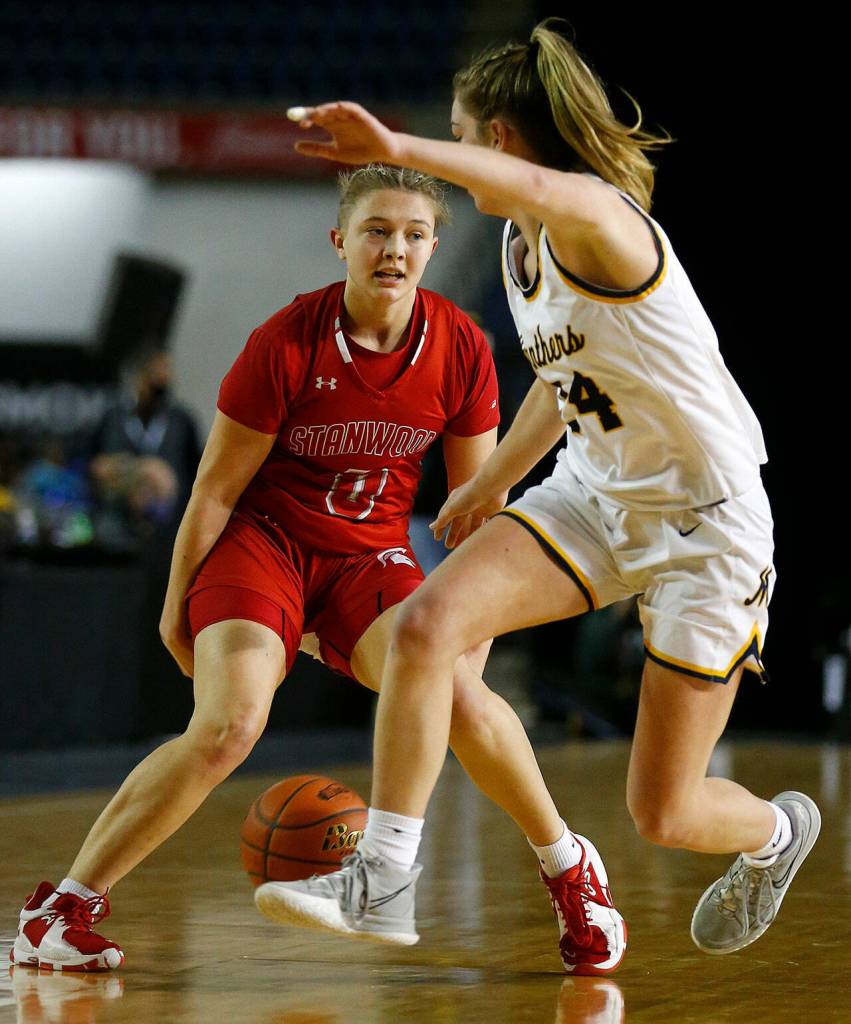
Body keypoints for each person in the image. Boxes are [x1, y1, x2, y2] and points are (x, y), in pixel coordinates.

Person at [263, 19, 820, 958]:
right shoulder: (522, 246)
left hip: (705, 522)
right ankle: (384, 880)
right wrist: (493, 486)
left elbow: (542, 185)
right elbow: (562, 386)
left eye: (456, 135)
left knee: (664, 811)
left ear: (494, 141)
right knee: (429, 627)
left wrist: (394, 146)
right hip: (596, 495)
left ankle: (775, 834)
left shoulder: (597, 217)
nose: (449, 160)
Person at [10, 165, 625, 976]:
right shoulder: (286, 341)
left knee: (465, 694)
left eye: (412, 234)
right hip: (264, 544)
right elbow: (214, 489)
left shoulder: (462, 346)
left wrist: (462, 627)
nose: (394, 249)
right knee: (229, 727)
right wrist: (172, 604)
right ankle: (64, 907)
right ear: (340, 242)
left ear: (435, 247)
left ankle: (571, 872)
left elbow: (482, 503)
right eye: (376, 230)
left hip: (368, 556)